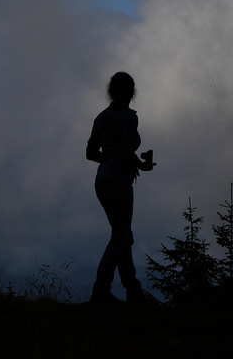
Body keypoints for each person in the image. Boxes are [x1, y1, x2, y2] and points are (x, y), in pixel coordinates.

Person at [86, 71, 155, 304]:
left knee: (124, 235)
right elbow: (126, 151)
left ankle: (133, 291)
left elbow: (90, 153)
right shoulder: (128, 117)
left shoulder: (101, 117)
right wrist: (141, 166)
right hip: (119, 182)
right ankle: (101, 292)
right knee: (120, 236)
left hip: (102, 181)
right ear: (132, 93)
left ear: (111, 91)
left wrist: (108, 159)